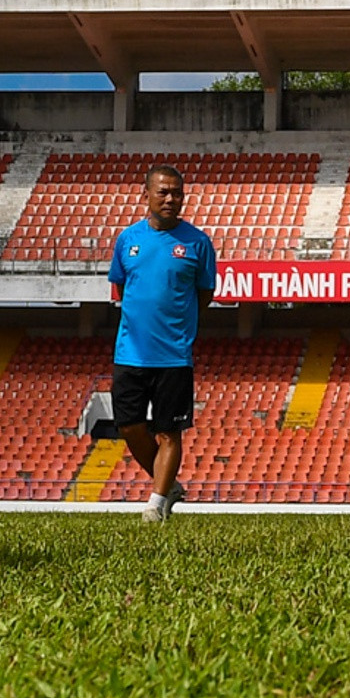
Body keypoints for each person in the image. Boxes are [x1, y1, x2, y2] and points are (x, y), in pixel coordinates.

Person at [107, 163, 216, 524]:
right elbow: (122, 288)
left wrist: (178, 329)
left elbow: (204, 294)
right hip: (130, 351)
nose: (171, 199)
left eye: (177, 193)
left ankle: (155, 505)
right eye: (163, 192)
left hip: (173, 355)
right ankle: (167, 484)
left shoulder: (198, 243)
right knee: (129, 426)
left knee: (169, 432)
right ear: (147, 195)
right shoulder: (128, 239)